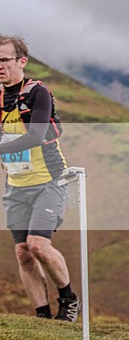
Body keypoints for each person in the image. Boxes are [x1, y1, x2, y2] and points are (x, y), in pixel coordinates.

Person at [0, 35, 80, 322]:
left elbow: (35, 136)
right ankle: (42, 316)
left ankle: (69, 299)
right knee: (22, 252)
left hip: (49, 181)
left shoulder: (37, 93)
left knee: (37, 244)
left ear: (22, 62)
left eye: (4, 60)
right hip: (16, 185)